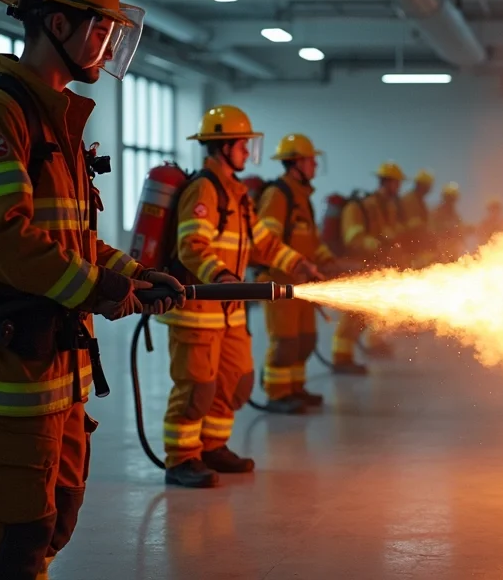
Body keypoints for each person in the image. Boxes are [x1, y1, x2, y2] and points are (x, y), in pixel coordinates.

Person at [0, 0, 183, 578]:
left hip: (55, 376)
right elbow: (1, 237)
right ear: (57, 25)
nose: (104, 44)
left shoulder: (59, 120)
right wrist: (98, 288)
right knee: (4, 542)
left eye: (109, 32)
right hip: (4, 378)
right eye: (98, 29)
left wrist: (129, 271)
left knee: (46, 526)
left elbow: (70, 238)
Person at [156, 105, 320, 488]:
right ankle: (181, 459)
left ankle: (213, 447)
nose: (248, 151)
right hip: (198, 310)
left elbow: (262, 243)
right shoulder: (204, 189)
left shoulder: (239, 194)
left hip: (229, 313)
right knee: (196, 387)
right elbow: (191, 246)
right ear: (222, 146)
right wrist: (223, 277)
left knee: (236, 381)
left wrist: (300, 265)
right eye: (242, 144)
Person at [256, 133, 339, 414]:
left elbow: (311, 241)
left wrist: (328, 262)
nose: (315, 166)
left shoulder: (303, 198)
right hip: (279, 284)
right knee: (285, 342)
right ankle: (277, 394)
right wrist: (296, 265)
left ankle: (296, 388)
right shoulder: (278, 195)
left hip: (302, 284)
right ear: (296, 164)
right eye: (311, 160)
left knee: (305, 341)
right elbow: (268, 242)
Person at [330, 161, 406, 373]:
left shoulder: (387, 207)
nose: (398, 188)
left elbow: (389, 233)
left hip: (373, 267)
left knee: (363, 314)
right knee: (351, 314)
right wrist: (377, 244)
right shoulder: (363, 206)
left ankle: (351, 354)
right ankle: (341, 359)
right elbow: (353, 237)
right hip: (355, 266)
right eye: (396, 183)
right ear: (387, 182)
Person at [399, 169, 434, 265]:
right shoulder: (409, 199)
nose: (429, 189)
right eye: (427, 186)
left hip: (417, 248)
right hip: (406, 248)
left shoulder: (421, 202)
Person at [431, 182, 469, 261]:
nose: (451, 201)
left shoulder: (454, 215)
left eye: (453, 198)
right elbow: (432, 229)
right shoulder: (437, 213)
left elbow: (459, 230)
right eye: (450, 198)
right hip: (439, 249)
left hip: (452, 249)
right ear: (445, 198)